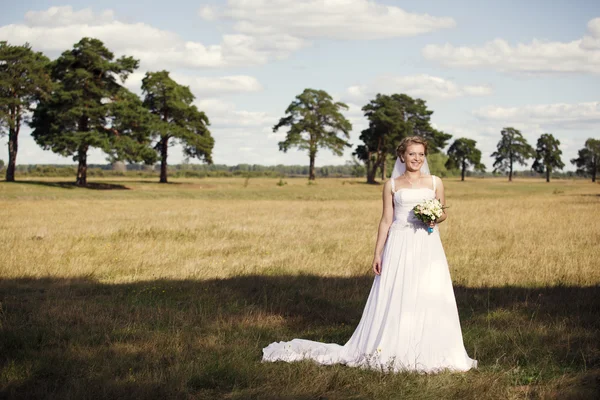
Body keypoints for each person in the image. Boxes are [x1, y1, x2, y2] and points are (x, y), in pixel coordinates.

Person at [262, 136, 477, 373]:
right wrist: (378, 253)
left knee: (429, 290)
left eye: (421, 154)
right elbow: (386, 220)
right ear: (402, 156)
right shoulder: (392, 185)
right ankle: (394, 346)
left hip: (427, 244)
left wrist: (434, 216)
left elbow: (444, 212)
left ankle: (431, 347)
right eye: (412, 154)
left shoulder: (435, 182)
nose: (417, 158)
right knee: (398, 292)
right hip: (399, 243)